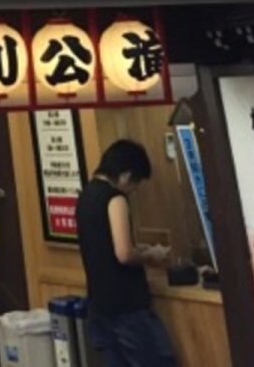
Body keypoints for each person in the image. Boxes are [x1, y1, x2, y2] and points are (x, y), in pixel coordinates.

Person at [75, 139, 177, 366]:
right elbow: (123, 253)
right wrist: (152, 256)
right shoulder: (115, 198)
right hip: (127, 306)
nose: (134, 189)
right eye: (136, 183)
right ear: (126, 175)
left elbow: (103, 246)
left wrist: (140, 248)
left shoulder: (86, 196)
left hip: (99, 304)